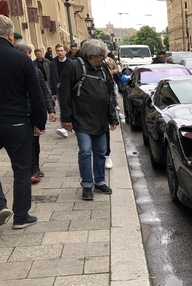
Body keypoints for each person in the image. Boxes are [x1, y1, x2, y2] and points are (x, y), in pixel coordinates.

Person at [0, 15, 47, 229]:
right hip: (16, 121)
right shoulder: (21, 59)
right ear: (10, 35)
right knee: (21, 169)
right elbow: (36, 95)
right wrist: (40, 121)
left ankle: (0, 204)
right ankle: (20, 216)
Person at [58, 39, 118, 201]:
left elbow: (110, 93)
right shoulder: (74, 66)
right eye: (102, 56)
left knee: (100, 152)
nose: (104, 59)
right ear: (92, 56)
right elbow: (65, 94)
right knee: (85, 151)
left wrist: (112, 116)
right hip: (81, 119)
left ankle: (99, 181)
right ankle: (86, 185)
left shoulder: (103, 68)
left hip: (100, 119)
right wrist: (66, 118)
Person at [15, 42, 56, 183]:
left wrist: (50, 109)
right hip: (21, 113)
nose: (28, 56)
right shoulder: (14, 71)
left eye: (29, 53)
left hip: (33, 112)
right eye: (25, 53)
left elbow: (44, 92)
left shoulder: (36, 71)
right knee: (28, 141)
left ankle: (36, 167)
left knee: (35, 141)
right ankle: (31, 170)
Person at [51, 43, 72, 138]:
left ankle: (74, 125)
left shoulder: (71, 63)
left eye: (61, 50)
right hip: (59, 90)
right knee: (62, 108)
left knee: (73, 108)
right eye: (58, 51)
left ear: (65, 51)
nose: (60, 52)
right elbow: (51, 78)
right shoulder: (53, 63)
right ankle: (63, 128)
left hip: (70, 90)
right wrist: (53, 92)